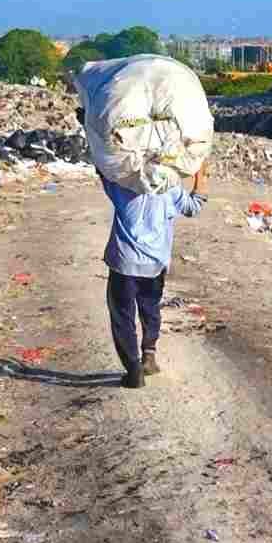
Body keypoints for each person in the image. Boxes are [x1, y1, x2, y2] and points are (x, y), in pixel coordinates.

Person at [93, 140, 209, 389]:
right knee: (150, 308)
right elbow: (194, 206)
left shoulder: (123, 186)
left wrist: (95, 136)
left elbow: (103, 168)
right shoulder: (172, 190)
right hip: (155, 263)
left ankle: (133, 368)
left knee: (122, 314)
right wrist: (200, 173)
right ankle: (149, 355)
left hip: (124, 263)